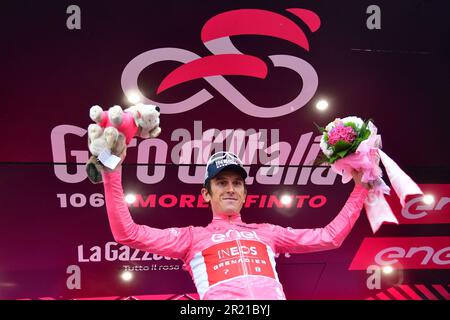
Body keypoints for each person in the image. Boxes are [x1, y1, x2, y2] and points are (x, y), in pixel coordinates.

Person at [102, 150, 369, 300]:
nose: (230, 189)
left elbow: (330, 237)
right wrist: (112, 170)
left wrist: (360, 188)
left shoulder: (267, 232)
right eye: (221, 183)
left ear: (244, 193)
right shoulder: (191, 238)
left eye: (237, 183)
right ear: (206, 193)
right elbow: (128, 233)